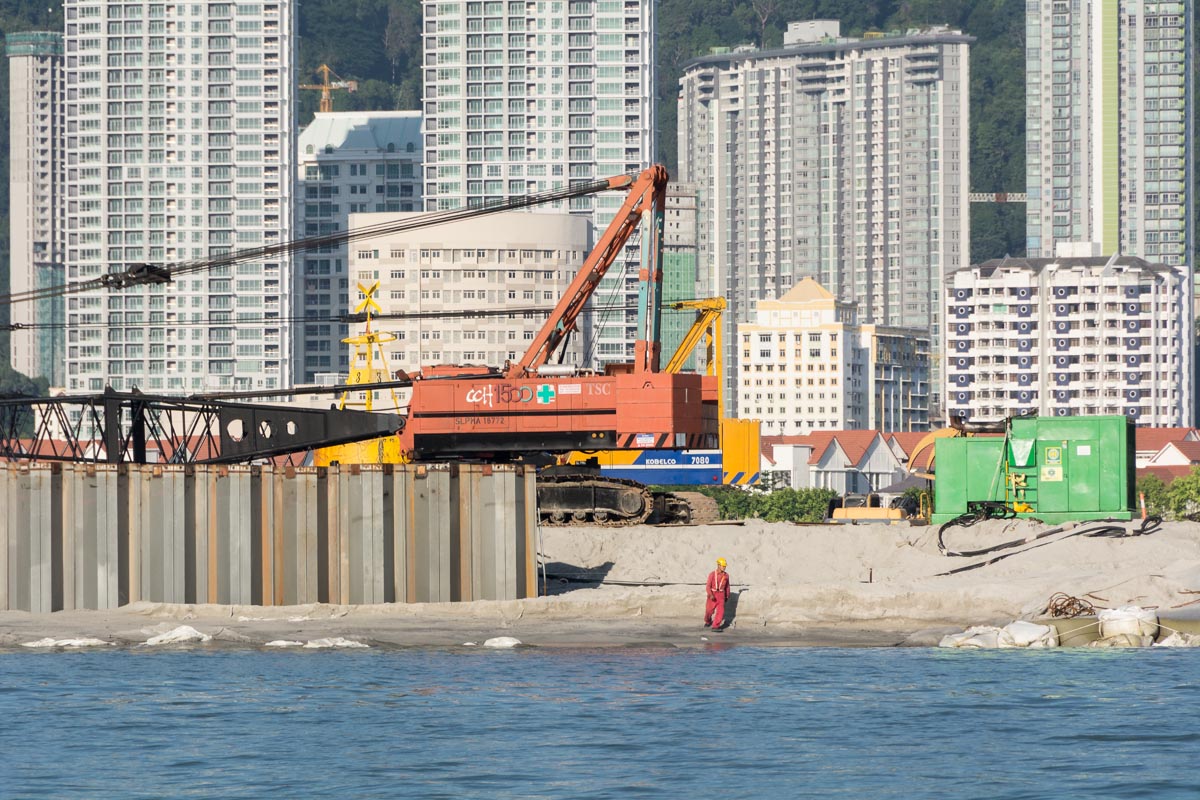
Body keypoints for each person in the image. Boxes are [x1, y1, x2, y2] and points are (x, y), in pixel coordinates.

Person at [704, 557, 731, 631]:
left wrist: (727, 595)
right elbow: (708, 586)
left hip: (721, 594)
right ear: (718, 565)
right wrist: (710, 594)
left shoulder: (726, 575)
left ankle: (715, 626)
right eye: (723, 566)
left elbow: (727, 586)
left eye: (725, 566)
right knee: (709, 611)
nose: (724, 567)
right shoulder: (712, 574)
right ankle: (708, 621)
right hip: (713, 594)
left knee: (720, 611)